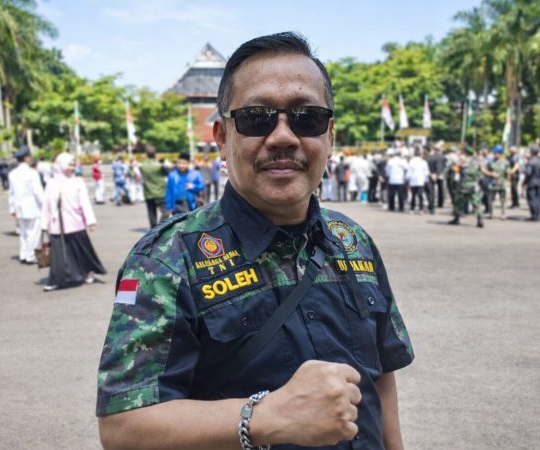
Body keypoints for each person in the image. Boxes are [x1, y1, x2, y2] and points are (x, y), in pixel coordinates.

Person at [97, 32, 414, 450]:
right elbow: (122, 427)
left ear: (330, 136)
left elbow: (381, 375)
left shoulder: (352, 241)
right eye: (256, 117)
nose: (283, 137)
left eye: (307, 118)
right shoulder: (168, 259)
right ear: (221, 137)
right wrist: (263, 417)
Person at [41, 152, 106, 291]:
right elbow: (46, 204)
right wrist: (44, 223)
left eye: (73, 165)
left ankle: (89, 271)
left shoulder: (77, 182)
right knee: (57, 255)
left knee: (82, 251)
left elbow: (85, 203)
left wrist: (90, 221)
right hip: (56, 224)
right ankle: (56, 280)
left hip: (75, 222)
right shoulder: (51, 183)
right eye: (69, 165)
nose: (71, 168)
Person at [8, 147, 44, 264]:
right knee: (33, 232)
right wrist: (46, 205)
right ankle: (31, 255)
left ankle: (23, 254)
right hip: (32, 206)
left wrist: (12, 208)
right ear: (26, 158)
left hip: (19, 206)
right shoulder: (32, 173)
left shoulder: (12, 174)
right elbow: (38, 192)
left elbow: (11, 193)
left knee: (23, 232)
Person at [449, 147, 491, 228]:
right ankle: (480, 220)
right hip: (474, 185)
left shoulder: (462, 161)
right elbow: (483, 170)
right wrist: (491, 174)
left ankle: (456, 218)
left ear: (465, 153)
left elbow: (455, 170)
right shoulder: (478, 161)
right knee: (476, 203)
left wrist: (453, 166)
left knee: (458, 202)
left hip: (463, 185)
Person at [138, 145, 168, 228]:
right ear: (155, 154)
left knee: (151, 213)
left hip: (148, 192)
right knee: (166, 212)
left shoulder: (142, 166)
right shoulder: (159, 165)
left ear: (146, 154)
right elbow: (167, 173)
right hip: (161, 192)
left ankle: (153, 229)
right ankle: (160, 227)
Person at [487, 146, 511, 220]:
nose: (494, 154)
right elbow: (486, 170)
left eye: (496, 153)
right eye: (494, 153)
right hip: (492, 183)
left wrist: (508, 182)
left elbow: (508, 173)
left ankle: (503, 214)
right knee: (490, 199)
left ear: (500, 153)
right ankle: (491, 213)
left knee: (503, 200)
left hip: (502, 183)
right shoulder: (490, 161)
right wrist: (491, 174)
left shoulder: (506, 162)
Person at [523, 146, 540, 221]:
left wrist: (525, 182)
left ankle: (534, 215)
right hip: (539, 182)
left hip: (531, 182)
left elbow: (528, 173)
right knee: (537, 199)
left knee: (532, 199)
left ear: (532, 152)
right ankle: (538, 214)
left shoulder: (531, 162)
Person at [408, 147, 429, 213]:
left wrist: (407, 179)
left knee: (413, 195)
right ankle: (421, 209)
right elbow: (426, 172)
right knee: (420, 195)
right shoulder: (424, 162)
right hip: (421, 180)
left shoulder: (411, 161)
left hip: (413, 180)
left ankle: (412, 209)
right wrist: (426, 180)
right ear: (420, 154)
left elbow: (409, 171)